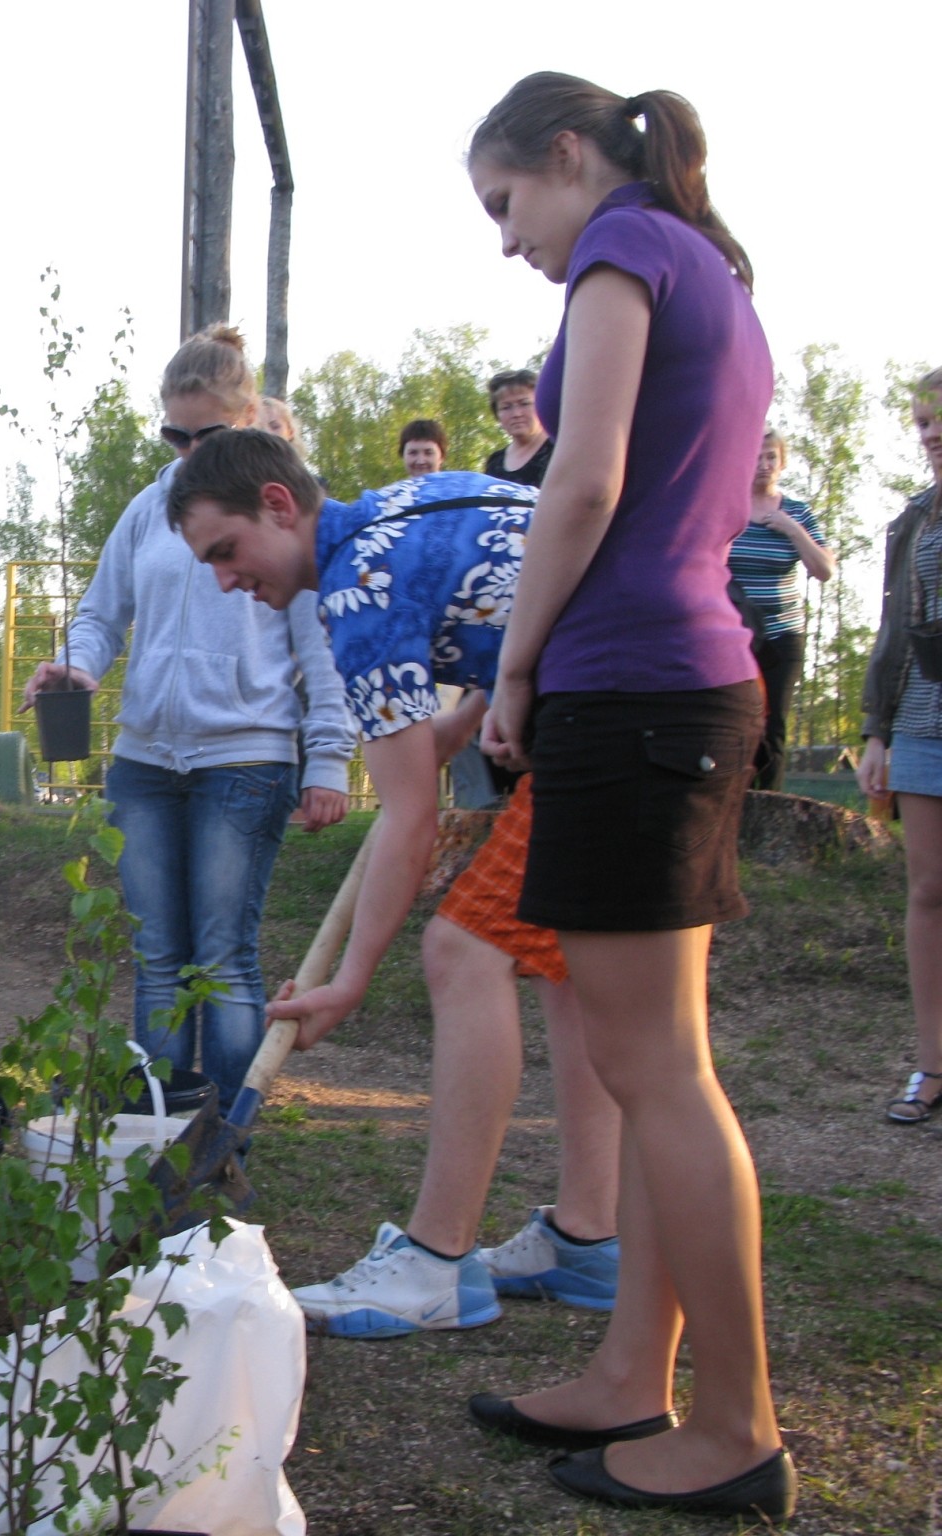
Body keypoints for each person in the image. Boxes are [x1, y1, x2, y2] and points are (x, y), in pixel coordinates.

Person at [469, 73, 791, 1519]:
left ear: (567, 156)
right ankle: (632, 1377)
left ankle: (736, 1426)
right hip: (692, 684)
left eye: (503, 203)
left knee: (656, 1069)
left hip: (634, 686)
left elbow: (580, 484)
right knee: (655, 1061)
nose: (506, 239)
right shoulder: (707, 261)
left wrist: (517, 668)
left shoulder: (620, 250)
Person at [165, 436, 623, 1344]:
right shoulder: (401, 509)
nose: (225, 581)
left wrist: (353, 975)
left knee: (460, 951)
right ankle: (588, 1235)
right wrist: (470, 711)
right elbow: (510, 587)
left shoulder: (355, 589)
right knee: (569, 972)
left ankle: (437, 1260)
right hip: (649, 679)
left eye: (226, 551)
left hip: (608, 707)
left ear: (279, 503)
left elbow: (411, 820)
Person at [22, 326, 353, 1107]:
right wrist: (78, 663)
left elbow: (325, 644)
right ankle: (159, 1134)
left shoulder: (289, 511)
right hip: (145, 762)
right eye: (173, 433)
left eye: (204, 434)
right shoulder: (149, 509)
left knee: (224, 958)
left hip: (245, 758)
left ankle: (225, 1141)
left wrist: (330, 759)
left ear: (245, 421)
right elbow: (103, 614)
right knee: (159, 956)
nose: (186, 449)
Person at [857, 366, 942, 1127]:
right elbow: (894, 633)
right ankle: (932, 1064)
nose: (933, 433)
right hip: (921, 718)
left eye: (939, 419)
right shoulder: (915, 517)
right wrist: (877, 730)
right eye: (922, 423)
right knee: (928, 891)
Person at [730, 430, 835, 790]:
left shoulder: (797, 512)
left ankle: (769, 809)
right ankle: (732, 810)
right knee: (735, 721)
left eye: (771, 457)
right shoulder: (729, 507)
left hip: (782, 635)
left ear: (782, 462)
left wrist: (793, 530)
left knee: (772, 726)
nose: (763, 465)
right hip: (733, 634)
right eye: (756, 457)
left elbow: (824, 570)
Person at [481, 369, 556, 488]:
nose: (516, 413)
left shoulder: (558, 450)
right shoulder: (495, 462)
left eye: (524, 404)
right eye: (506, 407)